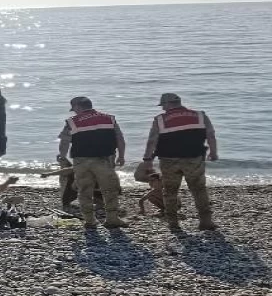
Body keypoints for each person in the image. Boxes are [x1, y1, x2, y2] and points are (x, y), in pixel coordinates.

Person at [142, 93, 218, 230]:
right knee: (199, 190)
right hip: (194, 158)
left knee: (170, 191)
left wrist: (148, 159)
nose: (163, 108)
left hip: (169, 160)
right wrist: (213, 152)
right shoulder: (200, 115)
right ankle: (206, 221)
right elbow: (210, 134)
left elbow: (152, 140)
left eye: (163, 105)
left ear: (168, 104)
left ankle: (173, 223)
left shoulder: (160, 119)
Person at [58, 96, 128, 229]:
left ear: (78, 107)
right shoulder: (109, 118)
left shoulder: (72, 122)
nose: (74, 112)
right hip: (105, 160)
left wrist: (62, 156)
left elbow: (64, 142)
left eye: (74, 109)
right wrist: (122, 156)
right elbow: (120, 139)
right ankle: (112, 219)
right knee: (110, 190)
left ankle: (90, 221)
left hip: (81, 161)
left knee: (84, 191)